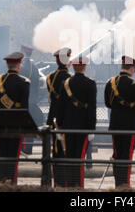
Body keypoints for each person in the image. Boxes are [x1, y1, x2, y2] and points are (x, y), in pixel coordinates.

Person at [0, 52, 30, 184]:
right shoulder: (24, 82)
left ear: (8, 64)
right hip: (16, 126)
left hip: (0, 125)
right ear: (18, 65)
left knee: (3, 155)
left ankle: (3, 180)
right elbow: (24, 109)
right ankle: (11, 182)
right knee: (13, 157)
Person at [56, 55, 97, 188]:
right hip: (83, 127)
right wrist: (91, 129)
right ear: (85, 66)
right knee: (79, 158)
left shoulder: (66, 83)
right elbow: (92, 108)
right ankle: (78, 186)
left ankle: (68, 186)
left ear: (73, 67)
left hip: (67, 127)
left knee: (69, 157)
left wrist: (60, 127)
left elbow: (60, 107)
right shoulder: (90, 84)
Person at [105, 55, 135, 189]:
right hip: (129, 125)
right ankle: (125, 184)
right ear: (132, 68)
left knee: (117, 154)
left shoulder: (110, 82)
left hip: (115, 124)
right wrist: (130, 106)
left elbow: (107, 103)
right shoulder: (134, 84)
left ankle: (118, 183)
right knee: (126, 155)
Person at [46, 47, 72, 188]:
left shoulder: (49, 77)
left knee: (55, 152)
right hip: (65, 119)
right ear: (67, 60)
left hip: (52, 117)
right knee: (65, 152)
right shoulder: (69, 78)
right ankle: (64, 182)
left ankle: (57, 181)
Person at [19, 44, 43, 155]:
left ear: (23, 53)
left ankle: (23, 149)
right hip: (32, 100)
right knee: (30, 126)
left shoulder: (21, 67)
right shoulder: (35, 67)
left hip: (24, 100)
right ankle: (28, 149)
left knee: (23, 126)